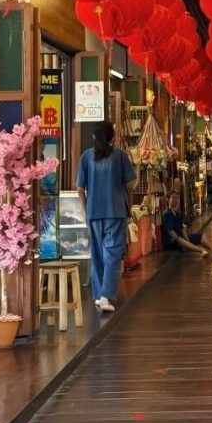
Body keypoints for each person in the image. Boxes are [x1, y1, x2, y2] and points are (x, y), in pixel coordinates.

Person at [76, 123, 136, 313]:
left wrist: (86, 211)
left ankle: (98, 295)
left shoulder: (86, 156)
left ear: (95, 138)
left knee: (98, 254)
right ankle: (105, 295)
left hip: (94, 212)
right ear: (112, 137)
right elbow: (131, 184)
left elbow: (80, 188)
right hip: (115, 211)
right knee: (112, 253)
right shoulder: (119, 156)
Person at [162, 191, 212, 256]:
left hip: (180, 239)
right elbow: (172, 233)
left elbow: (182, 229)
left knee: (199, 236)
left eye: (177, 198)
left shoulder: (178, 214)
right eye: (173, 198)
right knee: (178, 239)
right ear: (168, 200)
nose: (175, 200)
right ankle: (201, 250)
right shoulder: (167, 214)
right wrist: (185, 243)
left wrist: (188, 241)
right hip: (171, 242)